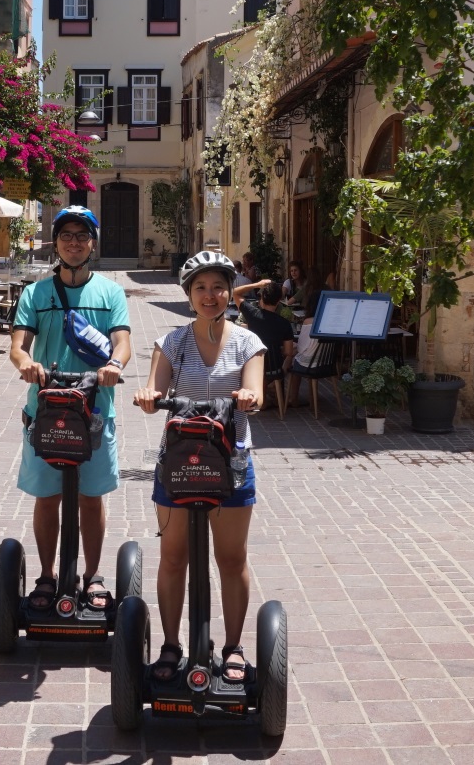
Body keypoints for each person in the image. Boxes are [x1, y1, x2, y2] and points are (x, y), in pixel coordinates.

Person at [135, 250, 265, 687]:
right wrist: (148, 396)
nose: (210, 296)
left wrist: (248, 397)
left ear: (230, 292)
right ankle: (172, 645)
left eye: (218, 287)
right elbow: (155, 387)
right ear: (189, 295)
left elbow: (255, 388)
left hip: (232, 464)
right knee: (173, 558)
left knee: (230, 558)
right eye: (200, 288)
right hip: (179, 462)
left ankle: (232, 647)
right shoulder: (173, 342)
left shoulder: (248, 342)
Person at [6, 205, 133, 615]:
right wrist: (26, 364)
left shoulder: (110, 292)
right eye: (66, 235)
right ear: (56, 242)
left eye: (82, 235)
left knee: (91, 499)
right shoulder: (36, 293)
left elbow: (122, 341)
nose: (74, 242)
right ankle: (46, 575)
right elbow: (17, 345)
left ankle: (93, 576)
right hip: (47, 408)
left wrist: (114, 365)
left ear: (92, 243)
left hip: (95, 409)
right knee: (47, 498)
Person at [233, 279, 297, 407]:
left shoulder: (252, 314)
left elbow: (234, 293)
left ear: (262, 297)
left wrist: (257, 284)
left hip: (254, 367)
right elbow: (288, 352)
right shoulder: (284, 323)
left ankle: (264, 395)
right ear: (278, 301)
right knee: (293, 353)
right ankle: (273, 386)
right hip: (275, 369)